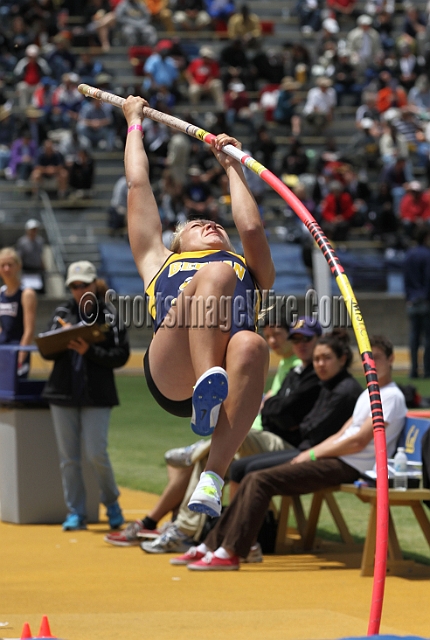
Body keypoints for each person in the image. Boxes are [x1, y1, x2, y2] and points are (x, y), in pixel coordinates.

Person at [122, 95, 275, 520]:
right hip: (172, 372)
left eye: (215, 224)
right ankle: (209, 378)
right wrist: (133, 122)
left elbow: (251, 227)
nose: (210, 224)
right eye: (195, 225)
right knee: (218, 275)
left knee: (252, 345)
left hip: (225, 375)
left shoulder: (250, 269)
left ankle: (212, 478)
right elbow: (138, 187)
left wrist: (233, 167)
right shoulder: (160, 263)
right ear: (177, 242)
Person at [175, 335, 407, 570]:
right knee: (250, 475)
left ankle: (232, 551)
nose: (371, 364)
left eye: (376, 358)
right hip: (336, 458)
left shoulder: (391, 397)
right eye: (368, 359)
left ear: (391, 359)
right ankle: (212, 544)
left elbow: (358, 441)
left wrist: (313, 455)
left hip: (353, 466)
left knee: (260, 480)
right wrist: (314, 452)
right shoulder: (368, 394)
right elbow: (343, 433)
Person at [104, 306, 304, 549]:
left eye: (279, 335)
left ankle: (176, 527)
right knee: (188, 461)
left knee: (203, 457)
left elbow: (283, 411)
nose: (272, 340)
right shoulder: (286, 365)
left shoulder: (298, 366)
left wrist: (268, 403)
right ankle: (164, 522)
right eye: (269, 334)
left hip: (273, 441)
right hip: (258, 435)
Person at [41, 261, 130, 531]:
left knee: (96, 453)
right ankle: (76, 513)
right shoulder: (61, 311)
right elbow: (46, 350)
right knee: (68, 459)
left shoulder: (111, 315)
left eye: (85, 284)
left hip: (98, 395)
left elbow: (121, 356)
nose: (80, 290)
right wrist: (64, 337)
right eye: (75, 286)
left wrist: (87, 350)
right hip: (63, 392)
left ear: (95, 285)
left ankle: (112, 502)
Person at [228, 328, 363, 493]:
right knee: (238, 467)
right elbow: (286, 414)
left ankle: (238, 518)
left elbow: (311, 429)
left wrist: (284, 415)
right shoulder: (321, 382)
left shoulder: (343, 390)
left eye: (326, 358)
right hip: (305, 449)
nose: (320, 364)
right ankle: (226, 516)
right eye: (317, 359)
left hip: (319, 456)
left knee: (250, 469)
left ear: (342, 359)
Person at [0, 247, 37, 377]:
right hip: (3, 350)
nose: (6, 269)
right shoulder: (0, 293)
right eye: (2, 265)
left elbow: (29, 331)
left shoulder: (26, 293)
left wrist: (21, 357)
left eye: (10, 265)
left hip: (18, 350)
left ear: (18, 266)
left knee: (17, 394)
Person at [403, 226, 430, 379]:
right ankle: (427, 370)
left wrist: (409, 297)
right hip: (425, 302)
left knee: (414, 338)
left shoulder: (409, 254)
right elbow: (428, 278)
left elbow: (405, 279)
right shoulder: (427, 255)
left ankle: (413, 370)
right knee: (427, 338)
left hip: (412, 301)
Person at [15, 219, 45, 293]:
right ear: (27, 230)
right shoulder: (22, 242)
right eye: (32, 229)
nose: (34, 231)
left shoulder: (40, 241)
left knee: (39, 290)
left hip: (37, 270)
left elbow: (40, 255)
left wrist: (43, 266)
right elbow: (19, 257)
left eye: (35, 229)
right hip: (26, 270)